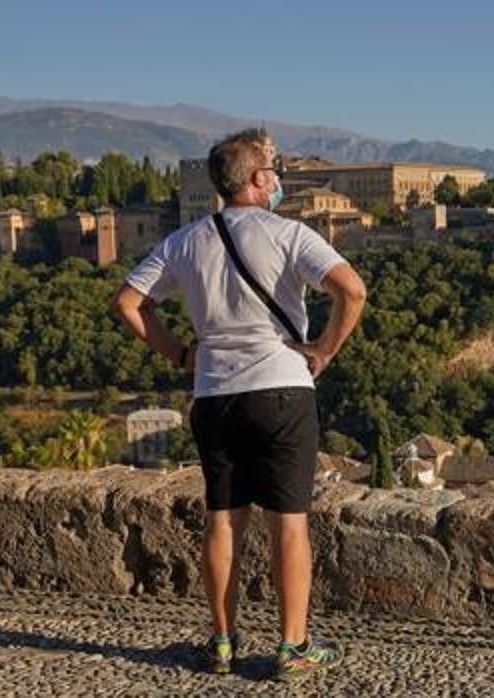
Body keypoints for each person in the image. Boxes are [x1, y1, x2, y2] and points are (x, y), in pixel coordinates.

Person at [111, 128, 366, 681]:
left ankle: (223, 641)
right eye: (273, 171)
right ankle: (293, 647)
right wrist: (323, 349)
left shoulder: (185, 241)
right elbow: (353, 291)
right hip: (281, 389)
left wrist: (179, 353)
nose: (278, 180)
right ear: (256, 179)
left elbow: (129, 303)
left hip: (214, 394)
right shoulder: (289, 233)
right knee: (289, 523)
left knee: (222, 521)